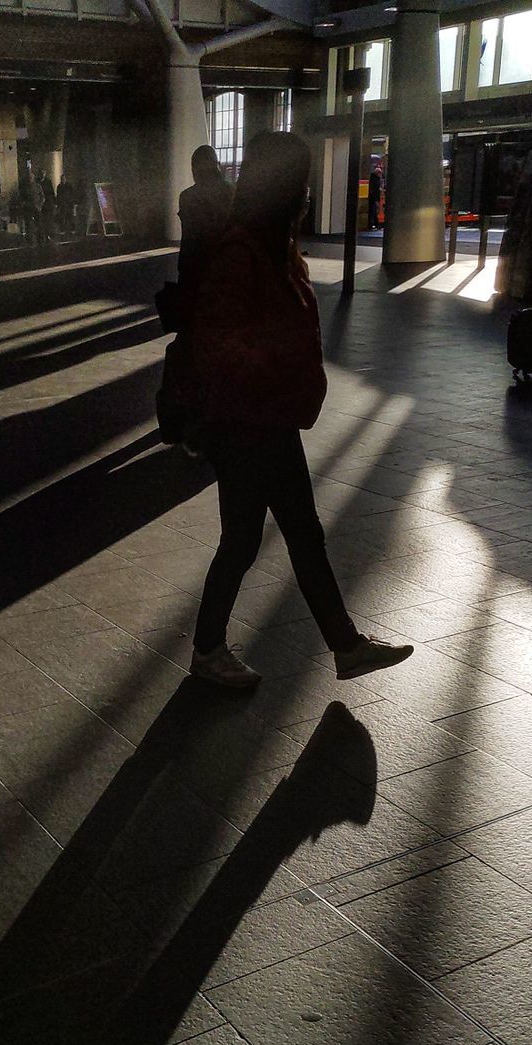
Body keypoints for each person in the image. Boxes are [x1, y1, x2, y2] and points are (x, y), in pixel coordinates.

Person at [187, 131, 414, 688]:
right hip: (249, 422)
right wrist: (273, 374)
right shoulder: (244, 250)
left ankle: (341, 646)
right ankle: (219, 650)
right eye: (304, 181)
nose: (310, 193)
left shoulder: (273, 247)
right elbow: (221, 338)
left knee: (285, 534)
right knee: (257, 538)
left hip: (267, 418)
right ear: (286, 186)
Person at [177, 145, 233, 297]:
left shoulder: (187, 197)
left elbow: (188, 237)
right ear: (217, 165)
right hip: (224, 263)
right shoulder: (232, 193)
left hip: (193, 264)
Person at [38, 170, 56, 242]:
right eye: (41, 173)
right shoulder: (38, 182)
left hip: (47, 204)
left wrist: (53, 202)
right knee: (41, 220)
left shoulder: (48, 182)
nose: (42, 174)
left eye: (43, 173)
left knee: (48, 220)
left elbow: (51, 192)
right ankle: (42, 234)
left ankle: (48, 234)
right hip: (40, 204)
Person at [367, 157, 383, 231]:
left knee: (373, 212)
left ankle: (374, 225)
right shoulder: (376, 180)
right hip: (374, 198)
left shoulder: (373, 178)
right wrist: (377, 199)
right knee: (373, 212)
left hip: (373, 198)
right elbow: (375, 190)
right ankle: (374, 225)